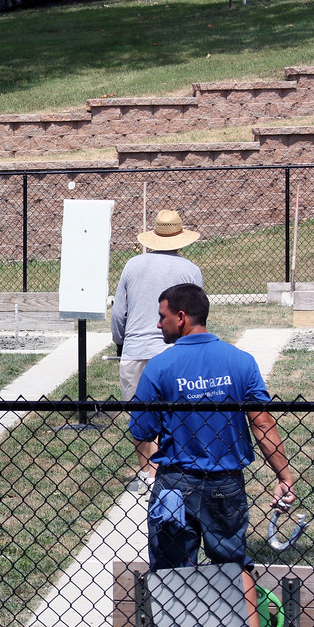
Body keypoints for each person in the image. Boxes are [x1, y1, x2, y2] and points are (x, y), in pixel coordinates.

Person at [129, 283, 294, 627]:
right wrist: (284, 475)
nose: (158, 324)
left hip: (175, 484)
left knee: (174, 565)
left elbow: (142, 429)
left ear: (181, 317)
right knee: (235, 562)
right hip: (226, 483)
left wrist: (160, 449)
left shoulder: (160, 368)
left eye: (162, 316)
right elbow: (262, 422)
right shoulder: (240, 361)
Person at [112, 209, 203, 494]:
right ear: (180, 238)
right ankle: (167, 473)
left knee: (140, 416)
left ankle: (147, 475)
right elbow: (196, 314)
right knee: (172, 415)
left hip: (136, 349)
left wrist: (121, 341)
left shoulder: (132, 265)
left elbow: (119, 313)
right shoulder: (190, 270)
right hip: (174, 351)